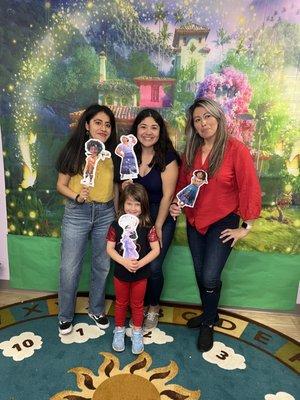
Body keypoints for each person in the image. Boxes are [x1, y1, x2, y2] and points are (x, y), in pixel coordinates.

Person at [170, 98, 261, 352]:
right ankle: (210, 313)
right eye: (197, 119)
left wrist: (246, 227)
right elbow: (184, 186)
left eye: (207, 117)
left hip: (223, 221)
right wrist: (177, 204)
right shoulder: (191, 151)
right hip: (195, 221)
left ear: (219, 118)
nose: (203, 123)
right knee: (201, 274)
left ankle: (208, 324)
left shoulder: (235, 150)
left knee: (210, 275)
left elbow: (249, 187)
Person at [56, 104, 118, 335]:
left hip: (106, 213)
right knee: (69, 267)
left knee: (102, 265)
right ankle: (65, 315)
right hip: (77, 212)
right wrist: (77, 196)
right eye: (98, 123)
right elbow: (60, 185)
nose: (103, 128)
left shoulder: (113, 155)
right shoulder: (74, 151)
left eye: (108, 124)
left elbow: (115, 187)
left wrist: (118, 210)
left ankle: (97, 308)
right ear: (87, 125)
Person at [123, 108, 180, 330]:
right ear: (136, 129)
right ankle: (139, 306)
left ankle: (153, 307)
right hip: (135, 217)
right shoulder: (128, 153)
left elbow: (168, 195)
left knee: (154, 266)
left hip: (160, 215)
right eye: (143, 126)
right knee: (135, 263)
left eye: (154, 127)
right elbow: (124, 188)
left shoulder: (168, 157)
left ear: (160, 131)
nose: (148, 132)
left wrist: (157, 226)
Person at [106, 183, 160, 354]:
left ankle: (137, 332)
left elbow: (156, 249)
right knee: (121, 303)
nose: (133, 208)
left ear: (143, 206)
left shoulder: (147, 226)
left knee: (138, 305)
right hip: (121, 273)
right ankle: (119, 331)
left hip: (141, 274)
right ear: (123, 204)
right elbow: (109, 249)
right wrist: (124, 262)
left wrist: (139, 263)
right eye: (129, 203)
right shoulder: (116, 225)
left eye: (137, 204)